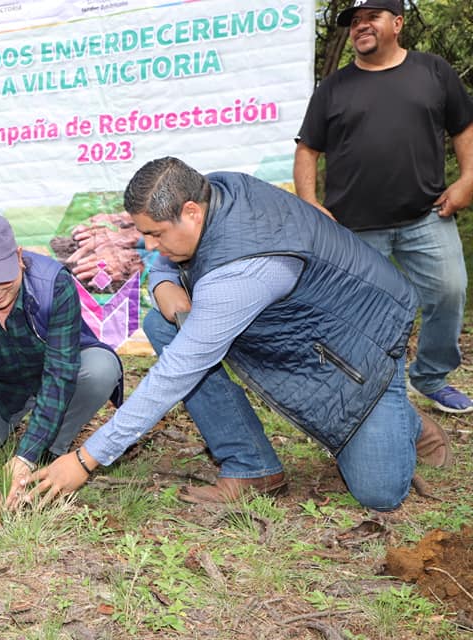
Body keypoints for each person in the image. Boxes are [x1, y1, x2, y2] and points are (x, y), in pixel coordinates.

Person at [31, 157, 452, 511]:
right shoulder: (214, 190)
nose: (150, 245)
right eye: (145, 234)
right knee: (165, 323)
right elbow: (167, 261)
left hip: (364, 340)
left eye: (156, 234)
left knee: (378, 492)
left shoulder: (240, 273)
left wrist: (86, 460)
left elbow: (176, 374)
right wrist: (162, 282)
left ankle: (406, 421)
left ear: (191, 211)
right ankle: (252, 466)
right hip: (300, 325)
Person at [294, 0, 473, 413]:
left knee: (449, 292)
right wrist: (309, 203)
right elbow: (307, 150)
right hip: (353, 227)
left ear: (397, 23)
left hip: (426, 216)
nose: (361, 26)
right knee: (354, 315)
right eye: (354, 21)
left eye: (371, 17)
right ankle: (364, 392)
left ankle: (429, 377)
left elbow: (464, 128)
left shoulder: (433, 71)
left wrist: (466, 181)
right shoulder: (334, 87)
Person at [0, 213, 123, 509]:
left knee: (101, 369)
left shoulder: (53, 284)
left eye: (1, 279)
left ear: (18, 257)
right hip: (0, 390)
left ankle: (50, 449)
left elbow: (59, 376)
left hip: (57, 378)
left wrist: (26, 455)